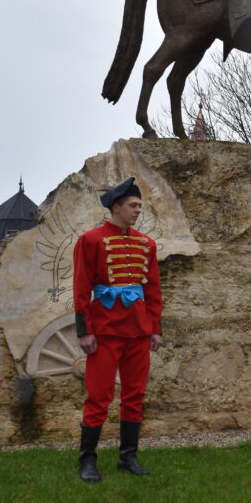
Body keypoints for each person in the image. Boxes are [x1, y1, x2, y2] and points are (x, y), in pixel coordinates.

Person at [74, 177, 163, 483]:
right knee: (99, 396)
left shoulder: (147, 244)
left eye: (139, 206)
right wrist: (84, 331)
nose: (138, 210)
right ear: (116, 208)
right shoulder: (90, 240)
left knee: (135, 395)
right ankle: (87, 460)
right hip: (105, 330)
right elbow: (81, 287)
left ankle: (128, 457)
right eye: (133, 205)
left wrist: (155, 329)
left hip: (138, 330)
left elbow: (153, 290)